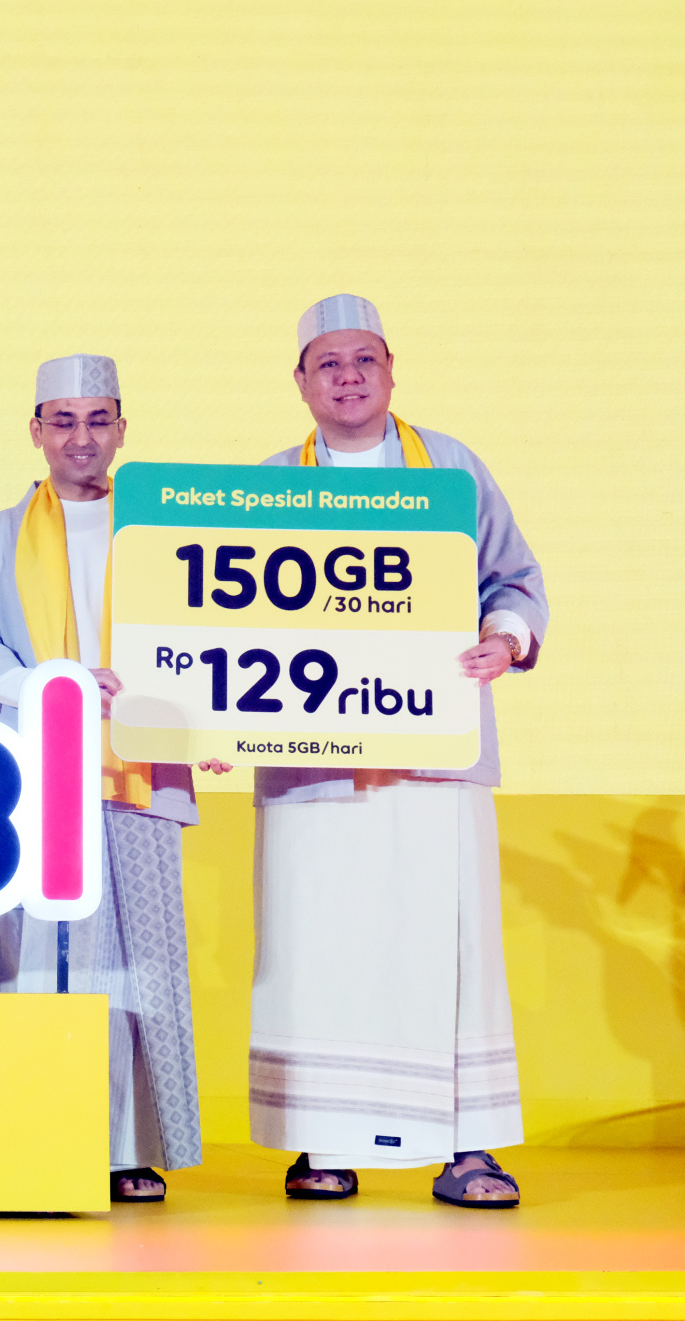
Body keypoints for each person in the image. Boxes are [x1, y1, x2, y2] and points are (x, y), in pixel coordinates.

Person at [248, 295, 546, 1207]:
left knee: (450, 947)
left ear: (390, 370)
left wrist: (503, 638)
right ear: (301, 381)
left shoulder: (450, 468)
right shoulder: (263, 485)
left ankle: (468, 1148)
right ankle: (322, 1140)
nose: (347, 377)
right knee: (316, 945)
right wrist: (206, 716)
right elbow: (221, 613)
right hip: (313, 761)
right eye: (328, 363)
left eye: (363, 360)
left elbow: (513, 580)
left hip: (431, 752)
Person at [0, 353, 228, 1204]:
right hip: (35, 772)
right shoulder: (0, 535)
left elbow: (216, 631)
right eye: (62, 420)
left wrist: (213, 719)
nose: (81, 437)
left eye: (98, 419)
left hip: (144, 768)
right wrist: (56, 684)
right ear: (36, 430)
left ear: (122, 429)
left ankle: (129, 1146)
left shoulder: (167, 525)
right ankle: (31, 1132)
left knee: (142, 961)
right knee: (31, 955)